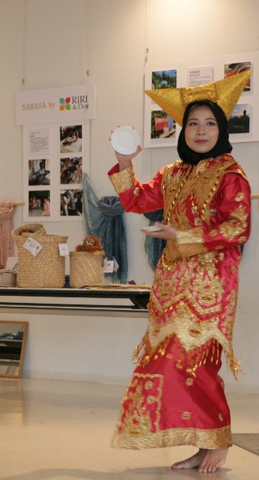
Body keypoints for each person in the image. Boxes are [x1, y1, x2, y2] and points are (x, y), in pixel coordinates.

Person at [108, 70, 252, 474]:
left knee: (196, 365)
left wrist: (181, 235)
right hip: (171, 284)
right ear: (182, 130)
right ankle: (202, 444)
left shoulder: (231, 174)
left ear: (221, 129)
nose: (201, 131)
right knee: (171, 366)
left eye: (209, 124)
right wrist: (124, 164)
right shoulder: (172, 173)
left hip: (211, 286)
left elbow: (238, 228)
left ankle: (218, 441)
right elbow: (136, 201)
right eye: (193, 124)